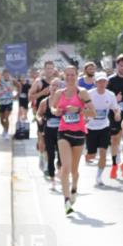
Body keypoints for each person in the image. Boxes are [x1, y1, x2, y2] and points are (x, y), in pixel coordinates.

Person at [50, 65, 95, 215]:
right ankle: (66, 200)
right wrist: (57, 111)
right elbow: (52, 108)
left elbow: (93, 112)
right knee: (65, 168)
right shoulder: (59, 93)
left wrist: (79, 110)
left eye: (72, 75)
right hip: (63, 133)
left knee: (74, 170)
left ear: (77, 76)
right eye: (67, 75)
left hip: (79, 134)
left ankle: (74, 186)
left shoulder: (82, 93)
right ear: (64, 76)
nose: (70, 78)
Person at [86, 72, 120, 186]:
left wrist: (117, 114)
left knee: (103, 152)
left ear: (107, 82)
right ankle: (88, 155)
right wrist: (87, 116)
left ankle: (99, 177)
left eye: (104, 81)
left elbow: (115, 108)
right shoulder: (89, 94)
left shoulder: (110, 95)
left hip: (104, 127)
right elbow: (82, 108)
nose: (102, 83)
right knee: (91, 155)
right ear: (95, 82)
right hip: (90, 127)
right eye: (99, 81)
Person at [30, 61, 57, 171]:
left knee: (53, 140)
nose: (49, 70)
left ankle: (50, 160)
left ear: (54, 69)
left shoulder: (57, 82)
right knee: (42, 138)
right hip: (42, 114)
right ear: (44, 69)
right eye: (48, 68)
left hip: (56, 115)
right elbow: (30, 97)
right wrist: (42, 93)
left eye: (51, 68)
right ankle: (42, 157)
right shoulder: (39, 82)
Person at [36, 78, 62, 184]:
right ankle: (52, 178)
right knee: (51, 155)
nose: (55, 88)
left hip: (62, 132)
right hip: (49, 131)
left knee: (61, 155)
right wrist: (39, 119)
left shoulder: (63, 100)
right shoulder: (44, 101)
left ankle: (60, 172)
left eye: (57, 86)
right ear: (49, 87)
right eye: (53, 85)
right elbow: (38, 114)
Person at [0, 69, 17, 139]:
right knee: (1, 119)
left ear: (9, 74)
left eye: (7, 74)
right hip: (1, 102)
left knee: (6, 117)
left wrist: (17, 95)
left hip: (9, 101)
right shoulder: (0, 81)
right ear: (3, 75)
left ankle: (6, 132)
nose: (6, 76)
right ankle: (5, 129)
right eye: (5, 74)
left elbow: (19, 86)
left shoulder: (12, 80)